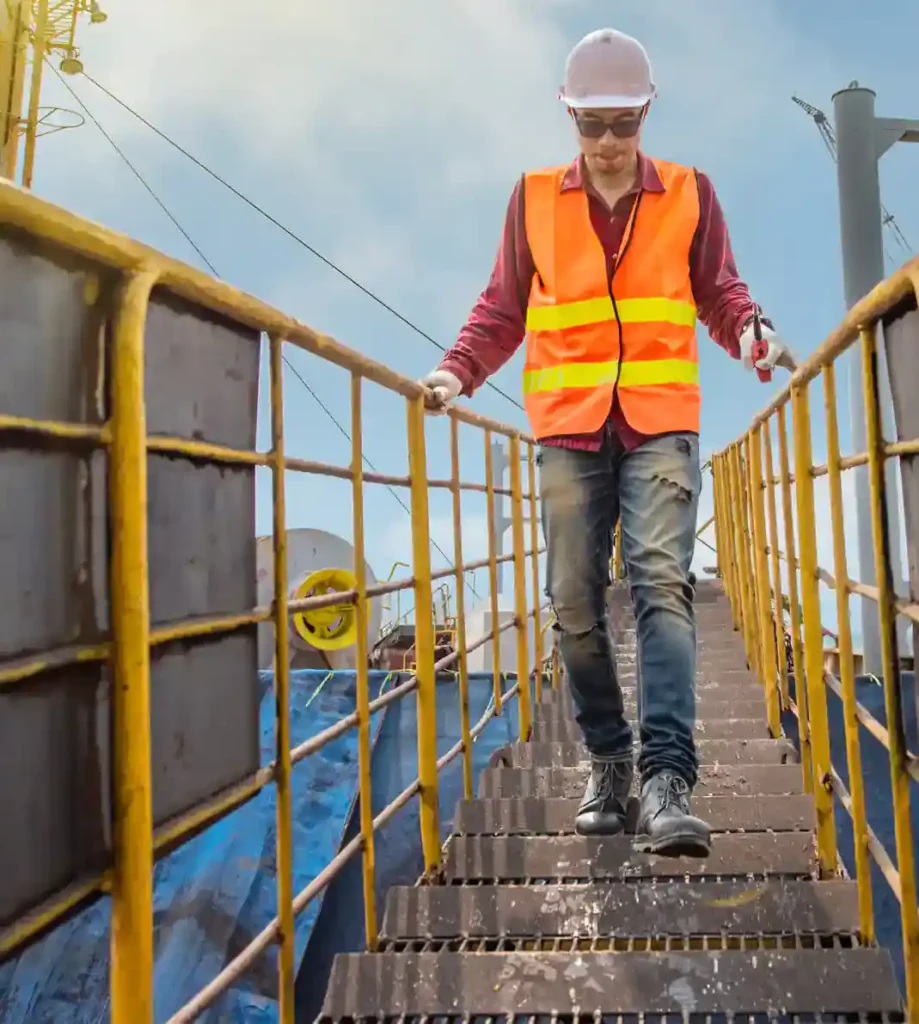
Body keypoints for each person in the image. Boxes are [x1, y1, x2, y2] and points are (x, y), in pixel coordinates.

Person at [418, 28, 793, 858]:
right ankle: (610, 763)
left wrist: (753, 333)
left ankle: (667, 780)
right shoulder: (531, 199)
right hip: (567, 426)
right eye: (592, 125)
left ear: (646, 113)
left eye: (623, 123)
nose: (609, 142)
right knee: (575, 605)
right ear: (570, 119)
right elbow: (501, 307)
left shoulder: (690, 193)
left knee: (662, 581)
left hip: (659, 419)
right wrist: (455, 373)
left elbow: (719, 292)